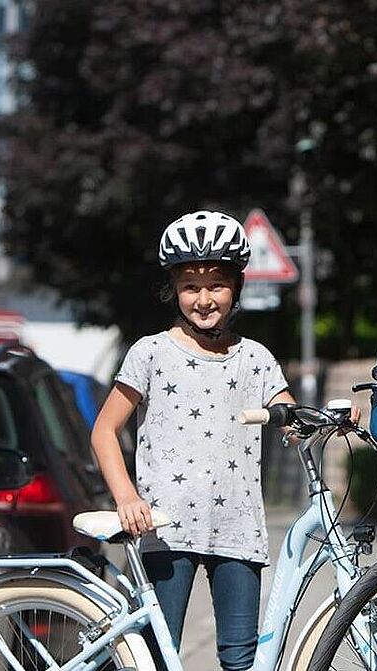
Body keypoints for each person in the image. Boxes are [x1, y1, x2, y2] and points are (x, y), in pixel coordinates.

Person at [91, 210, 294, 671]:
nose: (204, 299)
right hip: (164, 527)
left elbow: (290, 415)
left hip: (238, 527)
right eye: (190, 286)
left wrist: (332, 417)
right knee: (155, 656)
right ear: (174, 291)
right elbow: (104, 430)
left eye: (217, 284)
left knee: (241, 659)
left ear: (237, 287)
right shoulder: (151, 353)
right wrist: (126, 498)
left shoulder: (256, 359)